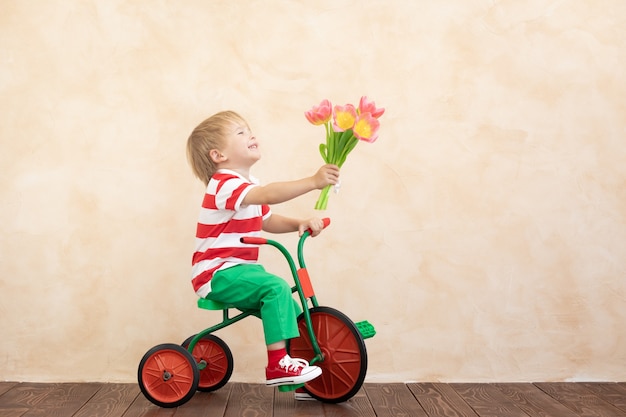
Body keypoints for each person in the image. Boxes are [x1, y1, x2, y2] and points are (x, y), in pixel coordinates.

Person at [186, 110, 340, 388]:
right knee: (275, 288)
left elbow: (267, 219)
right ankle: (278, 365)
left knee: (292, 309)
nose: (251, 134)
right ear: (218, 155)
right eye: (240, 132)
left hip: (241, 271)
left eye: (249, 129)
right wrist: (314, 182)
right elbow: (269, 195)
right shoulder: (223, 184)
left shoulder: (247, 187)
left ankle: (302, 376)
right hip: (216, 273)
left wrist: (299, 223)